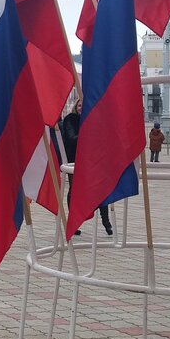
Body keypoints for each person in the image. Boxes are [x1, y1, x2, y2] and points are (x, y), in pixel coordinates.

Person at [60, 98, 114, 236]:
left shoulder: (94, 120)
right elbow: (72, 138)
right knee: (74, 192)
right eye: (79, 105)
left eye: (84, 106)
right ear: (75, 106)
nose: (81, 108)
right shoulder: (70, 119)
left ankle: (106, 221)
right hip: (75, 161)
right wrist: (88, 133)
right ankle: (74, 222)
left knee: (100, 190)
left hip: (93, 161)